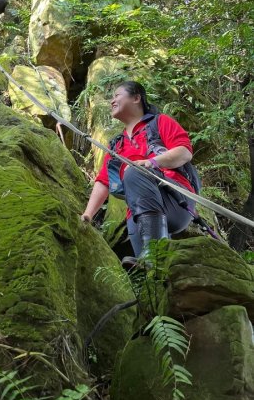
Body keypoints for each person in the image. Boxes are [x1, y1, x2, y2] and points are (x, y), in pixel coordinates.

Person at [81, 81, 196, 265]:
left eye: (117, 95)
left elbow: (184, 152)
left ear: (136, 98)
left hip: (175, 199)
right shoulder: (116, 145)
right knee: (152, 275)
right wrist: (87, 215)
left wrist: (150, 163)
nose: (112, 101)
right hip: (137, 215)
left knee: (134, 171)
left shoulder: (160, 122)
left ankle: (151, 255)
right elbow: (103, 181)